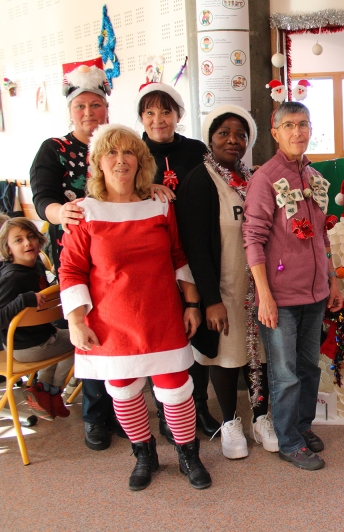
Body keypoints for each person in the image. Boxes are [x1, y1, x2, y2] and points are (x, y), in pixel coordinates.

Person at [59, 124, 210, 491]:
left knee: (175, 387)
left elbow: (177, 256)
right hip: (112, 321)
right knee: (123, 389)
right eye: (111, 152)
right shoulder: (84, 213)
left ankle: (188, 452)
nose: (121, 160)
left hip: (161, 314)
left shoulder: (159, 204)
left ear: (141, 161)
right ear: (98, 163)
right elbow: (71, 269)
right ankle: (144, 453)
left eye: (129, 152)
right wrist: (76, 320)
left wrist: (191, 303)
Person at [243, 101, 343, 471]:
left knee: (308, 367)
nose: (298, 132)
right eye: (289, 125)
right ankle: (288, 440)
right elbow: (252, 239)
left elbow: (322, 236)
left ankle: (301, 427)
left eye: (304, 124)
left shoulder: (313, 176)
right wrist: (264, 296)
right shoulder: (265, 178)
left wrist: (332, 280)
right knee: (284, 374)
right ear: (275, 133)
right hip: (280, 297)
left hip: (315, 292)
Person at [30, 59, 120, 451]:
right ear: (70, 111)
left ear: (107, 108)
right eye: (80, 106)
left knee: (118, 332)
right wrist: (57, 212)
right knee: (89, 332)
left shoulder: (118, 145)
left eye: (95, 105)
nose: (89, 113)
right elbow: (42, 198)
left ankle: (123, 409)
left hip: (117, 259)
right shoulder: (54, 149)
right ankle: (94, 416)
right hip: (77, 259)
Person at [177, 104, 272, 460]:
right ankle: (230, 422)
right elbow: (195, 247)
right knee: (226, 357)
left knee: (259, 357)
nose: (233, 140)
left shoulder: (252, 179)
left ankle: (261, 418)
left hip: (257, 288)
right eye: (224, 133)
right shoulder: (201, 181)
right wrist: (209, 299)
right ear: (210, 139)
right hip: (223, 288)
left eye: (241, 135)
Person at [135, 81, 220, 442]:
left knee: (195, 330)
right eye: (150, 112)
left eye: (166, 111)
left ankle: (198, 406)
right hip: (155, 257)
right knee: (165, 334)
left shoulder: (197, 149)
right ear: (141, 117)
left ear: (178, 115)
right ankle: (166, 414)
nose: (159, 119)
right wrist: (146, 188)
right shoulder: (134, 152)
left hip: (195, 249)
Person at [0, 218, 73, 420]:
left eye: (31, 236)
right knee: (84, 342)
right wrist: (24, 300)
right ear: (7, 247)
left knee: (71, 336)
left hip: (42, 338)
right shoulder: (12, 278)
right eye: (18, 240)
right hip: (25, 348)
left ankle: (41, 389)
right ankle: (53, 391)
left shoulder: (36, 264)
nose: (27, 243)